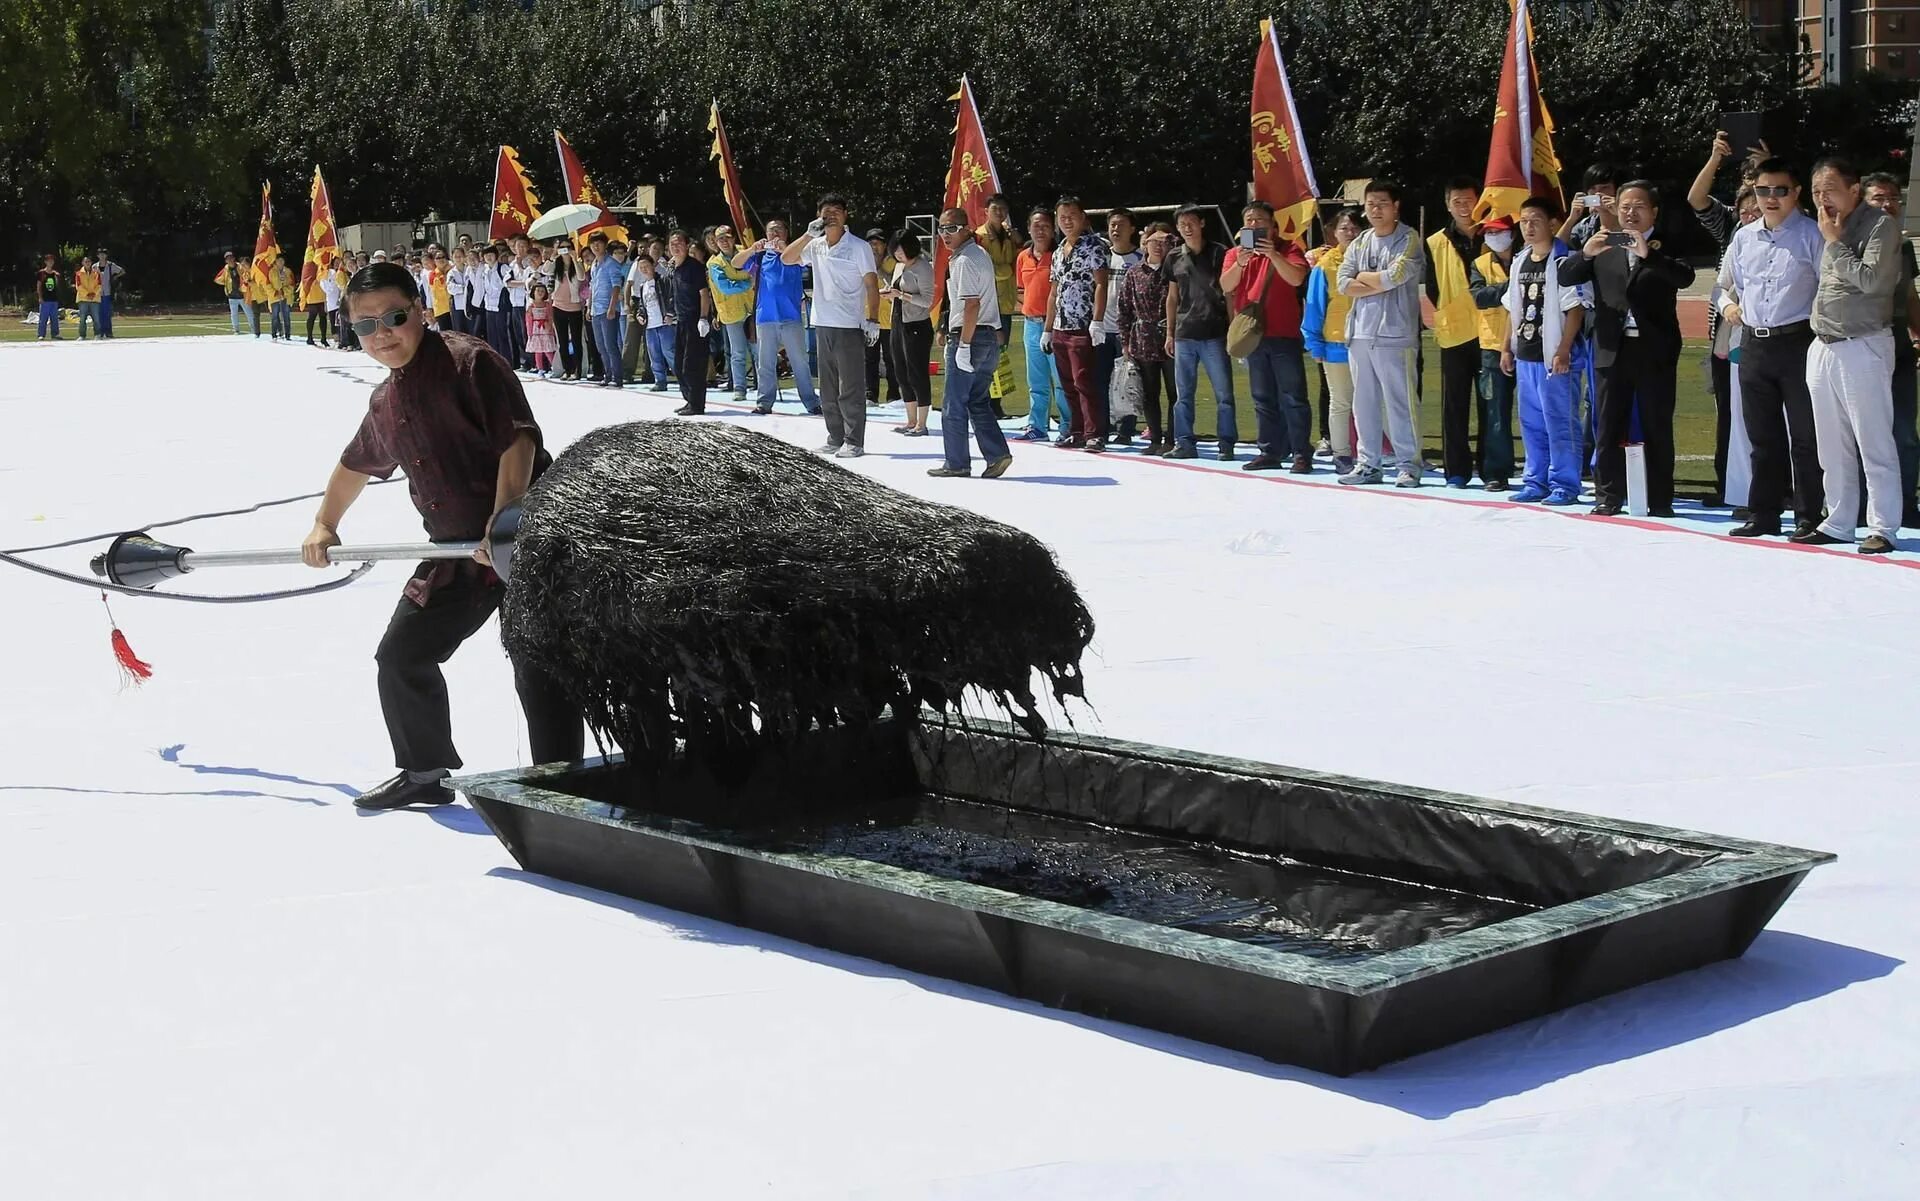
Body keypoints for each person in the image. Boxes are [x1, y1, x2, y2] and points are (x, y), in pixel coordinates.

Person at [300, 262, 582, 811]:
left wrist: (504, 526)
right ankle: (424, 770)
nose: (382, 334)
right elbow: (356, 464)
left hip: (526, 541)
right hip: (456, 552)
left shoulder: (469, 363)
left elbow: (517, 444)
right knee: (402, 656)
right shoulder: (386, 401)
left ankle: (560, 781)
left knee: (539, 664)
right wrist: (324, 523)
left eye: (395, 317)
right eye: (365, 325)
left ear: (422, 311)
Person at [1558, 181, 1696, 517]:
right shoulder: (1604, 245)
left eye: (1639, 207)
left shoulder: (1665, 246)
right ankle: (1608, 496)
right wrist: (1586, 252)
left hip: (1654, 350)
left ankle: (1660, 500)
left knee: (1656, 424)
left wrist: (1648, 254)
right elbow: (1564, 275)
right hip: (1611, 348)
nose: (1631, 213)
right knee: (1607, 425)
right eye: (1625, 207)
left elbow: (1685, 277)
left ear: (1654, 212)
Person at [1797, 158, 1902, 553]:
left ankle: (1883, 525)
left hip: (1864, 343)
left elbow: (1874, 283)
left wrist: (1835, 242)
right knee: (1830, 442)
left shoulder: (1880, 226)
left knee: (1873, 439)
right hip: (1823, 343)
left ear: (1854, 189)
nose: (1823, 198)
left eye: (1830, 189)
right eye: (1817, 191)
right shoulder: (1825, 225)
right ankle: (1839, 519)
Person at [1720, 158, 1826, 540]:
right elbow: (1722, 285)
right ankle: (1763, 514)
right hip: (1754, 346)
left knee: (1805, 437)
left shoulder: (1812, 235)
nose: (1771, 198)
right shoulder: (1744, 237)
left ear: (1796, 193)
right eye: (1763, 190)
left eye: (1780, 190)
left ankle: (1808, 515)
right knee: (1762, 437)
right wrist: (1728, 305)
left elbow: (1826, 288)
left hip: (1798, 343)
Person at [1337, 179, 1427, 487]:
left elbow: (1398, 275)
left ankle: (1409, 464)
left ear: (1396, 206)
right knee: (1364, 403)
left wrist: (1363, 279)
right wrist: (1372, 280)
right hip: (1360, 332)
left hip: (1395, 333)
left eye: (1382, 204)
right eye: (1370, 204)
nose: (1375, 210)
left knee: (1400, 402)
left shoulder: (1409, 238)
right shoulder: (1361, 240)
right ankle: (1368, 463)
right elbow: (1342, 281)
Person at [1499, 197, 1587, 505]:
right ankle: (1535, 480)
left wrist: (1563, 349)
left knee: (1560, 421)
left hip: (1555, 357)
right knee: (1532, 422)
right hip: (1526, 354)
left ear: (1552, 224)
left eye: (1535, 220)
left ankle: (1565, 483)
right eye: (1524, 221)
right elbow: (1512, 307)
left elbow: (1575, 309)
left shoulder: (1564, 261)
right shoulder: (1521, 260)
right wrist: (1506, 347)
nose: (1529, 227)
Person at [783, 193, 879, 458]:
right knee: (827, 386)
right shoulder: (816, 245)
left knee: (850, 386)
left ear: (846, 215)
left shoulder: (858, 247)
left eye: (837, 210)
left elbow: (872, 284)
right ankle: (835, 437)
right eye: (826, 212)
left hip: (849, 324)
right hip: (822, 322)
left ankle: (854, 441)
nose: (831, 216)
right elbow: (787, 259)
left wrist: (873, 319)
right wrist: (807, 234)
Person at [1221, 200, 1312, 472]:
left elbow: (1296, 278)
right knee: (1262, 398)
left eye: (1260, 220)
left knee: (1293, 396)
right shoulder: (1236, 253)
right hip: (1254, 336)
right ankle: (1269, 451)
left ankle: (1300, 454)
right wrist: (1240, 262)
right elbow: (1226, 285)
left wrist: (1273, 255)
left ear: (1273, 225)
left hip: (1283, 333)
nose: (1254, 224)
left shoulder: (1290, 248)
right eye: (1249, 220)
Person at [927, 209, 1012, 479]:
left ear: (966, 229)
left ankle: (957, 462)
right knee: (978, 401)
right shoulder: (979, 254)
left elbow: (971, 304)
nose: (945, 235)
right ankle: (997, 454)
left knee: (954, 403)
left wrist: (963, 345)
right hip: (985, 336)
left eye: (951, 229)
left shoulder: (963, 260)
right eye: (941, 229)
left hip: (969, 337)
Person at [1863, 171, 1920, 527]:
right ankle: (1857, 507)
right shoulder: (1846, 239)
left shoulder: (1904, 246)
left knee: (1903, 433)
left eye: (1893, 198)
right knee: (1859, 433)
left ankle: (1905, 505)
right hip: (1862, 345)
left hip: (1897, 345)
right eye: (1878, 198)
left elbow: (1910, 296)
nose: (1888, 205)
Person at [1427, 177, 1490, 488]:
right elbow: (1428, 287)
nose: (1464, 207)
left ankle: (1492, 470)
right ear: (1447, 204)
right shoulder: (1434, 242)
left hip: (1491, 330)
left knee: (1491, 403)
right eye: (1457, 202)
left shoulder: (1495, 233)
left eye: (1469, 201)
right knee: (1454, 405)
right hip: (1453, 333)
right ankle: (1456, 470)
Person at [1164, 204, 1236, 460]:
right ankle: (1184, 442)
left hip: (1215, 332)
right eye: (1182, 224)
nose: (1187, 228)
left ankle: (1226, 443)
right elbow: (1172, 297)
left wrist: (1233, 327)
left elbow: (1229, 293)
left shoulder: (1219, 253)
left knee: (1223, 394)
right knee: (1183, 395)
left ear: (1202, 223)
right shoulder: (1173, 257)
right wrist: (1170, 332)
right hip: (1184, 333)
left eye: (1191, 222)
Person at [1045, 196, 1111, 451]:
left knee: (1085, 380)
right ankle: (1077, 430)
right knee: (1067, 383)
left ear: (1083, 217)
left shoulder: (1094, 246)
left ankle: (1095, 433)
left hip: (1083, 324)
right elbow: (1054, 291)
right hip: (1061, 326)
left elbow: (1100, 284)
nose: (1067, 221)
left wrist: (1097, 320)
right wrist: (1048, 329)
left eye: (1072, 215)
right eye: (1062, 217)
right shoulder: (1059, 250)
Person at [736, 219, 817, 415]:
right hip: (766, 317)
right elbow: (736, 263)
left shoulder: (796, 254)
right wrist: (752, 250)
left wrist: (785, 249)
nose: (774, 234)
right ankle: (764, 402)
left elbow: (806, 265)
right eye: (771, 231)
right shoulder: (761, 257)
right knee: (765, 362)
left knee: (799, 361)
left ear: (786, 233)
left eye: (778, 230)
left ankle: (811, 402)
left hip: (791, 316)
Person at [1303, 206, 1360, 473]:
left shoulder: (1372, 261)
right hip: (1336, 345)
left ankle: (1370, 453)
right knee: (1341, 402)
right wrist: (1314, 343)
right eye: (1344, 228)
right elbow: (1314, 307)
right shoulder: (1324, 267)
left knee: (1369, 402)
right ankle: (1341, 453)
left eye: (1354, 228)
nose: (1349, 233)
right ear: (1333, 233)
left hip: (1369, 343)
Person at [1116, 221, 1177, 452]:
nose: (1159, 246)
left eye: (1165, 242)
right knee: (1150, 392)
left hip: (1171, 338)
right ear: (1145, 243)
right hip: (1143, 339)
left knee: (1175, 392)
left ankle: (1172, 439)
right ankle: (1155, 439)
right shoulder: (1134, 273)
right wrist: (1125, 342)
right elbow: (1124, 309)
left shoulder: (1175, 270)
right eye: (1154, 241)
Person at [1465, 215, 1517, 491]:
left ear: (1511, 232)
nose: (1494, 237)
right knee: (1495, 410)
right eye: (1489, 233)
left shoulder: (1527, 256)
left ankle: (1542, 469)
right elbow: (1479, 298)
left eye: (1499, 232)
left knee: (1538, 411)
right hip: (1493, 345)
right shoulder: (1480, 264)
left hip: (1532, 343)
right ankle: (1496, 471)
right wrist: (1513, 287)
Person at [1013, 207, 1066, 441]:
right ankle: (1037, 425)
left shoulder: (1060, 254)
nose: (1041, 230)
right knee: (1036, 380)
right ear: (1028, 228)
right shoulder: (1023, 256)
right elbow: (1021, 289)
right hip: (1031, 325)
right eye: (1036, 225)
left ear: (1053, 228)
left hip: (1056, 325)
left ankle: (1068, 425)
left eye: (1045, 225)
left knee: (1061, 378)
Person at [881, 231, 935, 435]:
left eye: (901, 250)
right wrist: (890, 294)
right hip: (898, 321)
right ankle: (911, 419)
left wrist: (902, 295)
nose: (897, 255)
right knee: (900, 371)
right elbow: (896, 292)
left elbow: (927, 300)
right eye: (894, 251)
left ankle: (922, 422)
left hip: (917, 325)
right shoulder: (899, 266)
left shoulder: (922, 268)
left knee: (917, 372)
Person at [1100, 208, 1145, 443]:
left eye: (1121, 225)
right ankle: (1103, 427)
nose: (1116, 229)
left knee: (1128, 380)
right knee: (1102, 381)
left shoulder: (1140, 258)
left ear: (1132, 229)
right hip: (1102, 329)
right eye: (1112, 225)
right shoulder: (1102, 257)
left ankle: (1126, 430)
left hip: (1128, 332)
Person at [977, 193, 1024, 417]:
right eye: (995, 208)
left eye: (1003, 209)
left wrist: (1017, 242)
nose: (999, 213)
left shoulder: (1008, 235)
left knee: (1000, 356)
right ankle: (984, 402)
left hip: (1005, 304)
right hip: (987, 305)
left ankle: (996, 403)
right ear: (986, 211)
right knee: (986, 355)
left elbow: (1021, 258)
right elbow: (987, 268)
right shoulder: (980, 237)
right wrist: (1009, 269)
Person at [708, 224, 756, 403]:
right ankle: (739, 388)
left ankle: (762, 386)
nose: (725, 242)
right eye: (720, 239)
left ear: (733, 238)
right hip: (731, 313)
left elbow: (756, 270)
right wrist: (747, 284)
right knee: (737, 353)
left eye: (727, 238)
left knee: (758, 351)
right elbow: (724, 286)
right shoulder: (714, 263)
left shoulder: (746, 251)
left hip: (751, 309)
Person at [668, 228, 712, 415]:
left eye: (679, 243)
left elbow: (704, 294)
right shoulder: (674, 268)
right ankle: (688, 399)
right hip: (681, 321)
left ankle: (697, 404)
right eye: (672, 244)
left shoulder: (694, 267)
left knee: (692, 365)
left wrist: (703, 318)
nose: (675, 247)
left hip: (695, 321)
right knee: (678, 364)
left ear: (687, 245)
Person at [631, 251, 676, 394]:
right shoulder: (643, 286)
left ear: (653, 266)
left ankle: (682, 376)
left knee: (669, 351)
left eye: (646, 265)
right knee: (654, 354)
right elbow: (642, 305)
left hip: (664, 323)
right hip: (650, 326)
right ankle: (660, 380)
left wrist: (670, 314)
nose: (644, 269)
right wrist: (640, 315)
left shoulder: (663, 280)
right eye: (641, 267)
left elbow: (671, 297)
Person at [588, 238, 629, 389]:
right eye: (593, 244)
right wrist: (589, 306)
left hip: (608, 309)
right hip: (595, 310)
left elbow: (616, 286)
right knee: (601, 345)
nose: (595, 246)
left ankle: (617, 377)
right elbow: (592, 286)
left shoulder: (612, 264)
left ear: (605, 245)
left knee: (610, 344)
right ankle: (608, 374)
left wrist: (612, 307)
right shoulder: (594, 264)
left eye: (598, 243)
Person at [546, 246, 583, 381]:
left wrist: (574, 258)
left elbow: (581, 276)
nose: (564, 252)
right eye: (562, 249)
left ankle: (577, 371)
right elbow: (545, 270)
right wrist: (553, 256)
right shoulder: (556, 266)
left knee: (576, 340)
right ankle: (567, 370)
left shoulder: (576, 264)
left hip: (574, 307)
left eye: (566, 249)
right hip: (558, 306)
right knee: (562, 341)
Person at [524, 282, 559, 378]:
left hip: (546, 329)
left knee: (548, 350)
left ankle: (554, 367)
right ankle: (540, 369)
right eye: (538, 291)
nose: (540, 293)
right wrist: (529, 333)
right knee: (538, 351)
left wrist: (550, 326)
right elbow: (528, 320)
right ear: (533, 292)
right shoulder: (531, 306)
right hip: (536, 330)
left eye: (542, 291)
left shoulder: (547, 305)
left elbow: (550, 316)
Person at [94, 248, 124, 337]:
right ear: (98, 256)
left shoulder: (111, 265)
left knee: (106, 313)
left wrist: (115, 277)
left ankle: (108, 332)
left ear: (106, 255)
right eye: (100, 254)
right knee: (98, 313)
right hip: (97, 292)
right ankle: (100, 332)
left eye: (104, 254)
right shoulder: (94, 266)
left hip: (107, 291)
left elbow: (122, 271)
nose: (102, 256)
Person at [34, 254, 61, 340]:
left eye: (52, 260)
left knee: (54, 318)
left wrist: (57, 277)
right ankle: (41, 334)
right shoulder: (41, 273)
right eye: (48, 260)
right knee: (43, 318)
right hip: (45, 299)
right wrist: (40, 297)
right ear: (45, 262)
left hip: (54, 299)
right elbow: (38, 286)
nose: (50, 262)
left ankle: (55, 334)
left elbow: (56, 286)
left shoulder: (55, 274)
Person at [74, 254, 100, 340]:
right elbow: (79, 286)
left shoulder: (96, 273)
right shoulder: (78, 274)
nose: (87, 263)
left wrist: (94, 293)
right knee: (82, 318)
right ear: (82, 263)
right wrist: (87, 294)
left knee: (96, 318)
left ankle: (97, 334)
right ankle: (82, 335)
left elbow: (99, 285)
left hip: (95, 299)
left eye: (89, 261)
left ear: (91, 263)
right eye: (86, 262)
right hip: (83, 299)